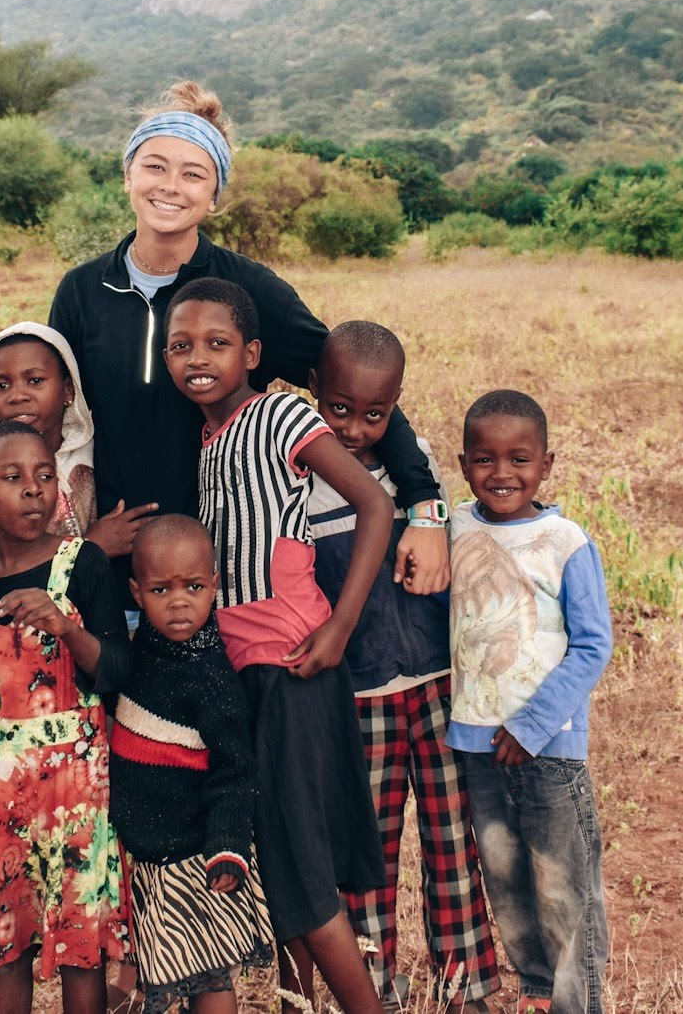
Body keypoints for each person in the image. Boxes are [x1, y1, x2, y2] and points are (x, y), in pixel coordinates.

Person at [47, 80, 449, 603]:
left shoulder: (247, 290)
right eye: (154, 166)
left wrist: (425, 507)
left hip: (230, 565)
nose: (170, 185)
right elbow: (53, 418)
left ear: (214, 197)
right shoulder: (81, 291)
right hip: (114, 565)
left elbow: (353, 386)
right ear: (127, 176)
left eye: (194, 175)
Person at [162, 277, 392, 1014]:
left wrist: (340, 625)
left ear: (252, 353)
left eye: (217, 343)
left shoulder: (281, 413)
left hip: (293, 664)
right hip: (246, 673)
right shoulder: (206, 440)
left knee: (304, 880)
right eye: (180, 344)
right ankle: (299, 999)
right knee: (277, 855)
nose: (196, 357)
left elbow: (374, 502)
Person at [307, 323, 498, 1013]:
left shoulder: (411, 458)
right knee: (369, 848)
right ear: (313, 395)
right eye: (339, 409)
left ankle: (466, 983)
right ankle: (374, 983)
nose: (355, 429)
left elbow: (443, 525)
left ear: (396, 407)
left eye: (373, 413)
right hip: (358, 695)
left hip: (437, 683)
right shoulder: (302, 477)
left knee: (452, 839)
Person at [0, 421, 132, 1014]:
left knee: (81, 944)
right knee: (5, 945)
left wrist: (67, 627)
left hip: (81, 792)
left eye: (45, 476)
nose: (33, 490)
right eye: (12, 478)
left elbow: (118, 667)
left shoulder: (83, 562)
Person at [447, 391, 614, 1014]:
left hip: (547, 753)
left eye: (520, 459)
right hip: (477, 746)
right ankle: (539, 995)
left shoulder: (565, 540)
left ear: (547, 464)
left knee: (564, 894)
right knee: (510, 888)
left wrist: (534, 725)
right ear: (464, 465)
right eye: (485, 459)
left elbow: (594, 644)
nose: (502, 474)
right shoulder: (457, 528)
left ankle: (581, 1004)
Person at [109, 515, 273, 1014]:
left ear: (214, 587)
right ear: (137, 593)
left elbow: (235, 770)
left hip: (196, 857)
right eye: (161, 589)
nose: (178, 601)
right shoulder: (140, 653)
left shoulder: (210, 675)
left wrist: (226, 846)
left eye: (194, 587)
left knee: (208, 976)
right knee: (161, 970)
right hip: (146, 856)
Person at [0, 322, 157, 561]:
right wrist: (88, 548)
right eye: (1, 386)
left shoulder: (100, 452)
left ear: (68, 389)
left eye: (35, 381)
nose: (17, 396)